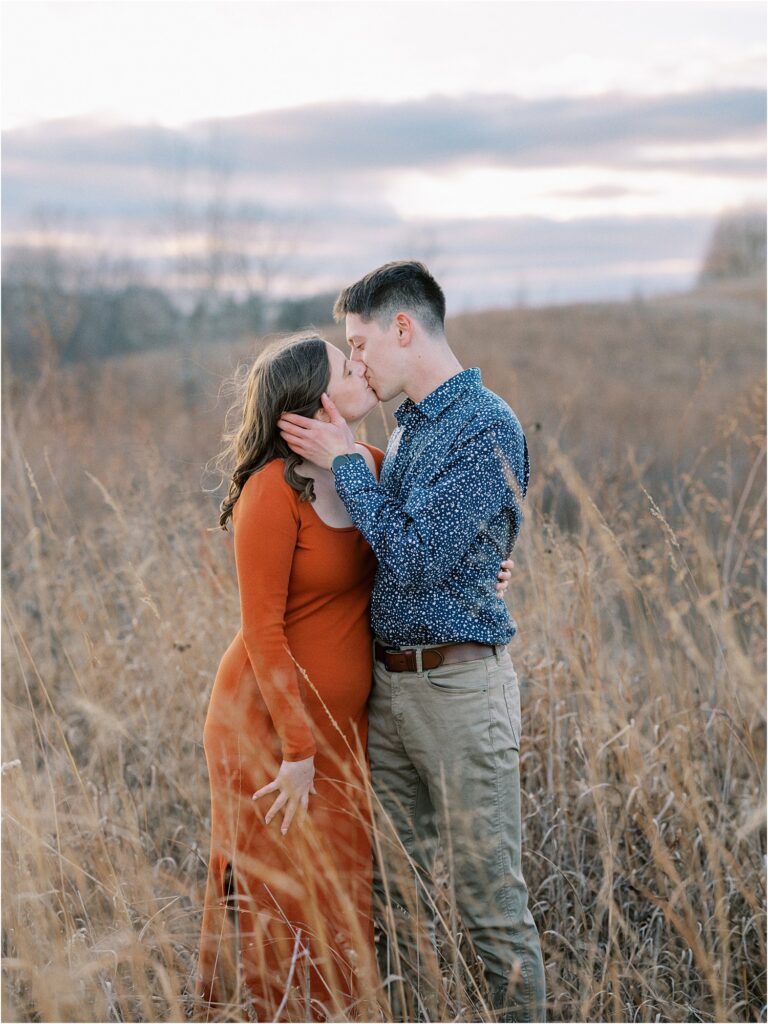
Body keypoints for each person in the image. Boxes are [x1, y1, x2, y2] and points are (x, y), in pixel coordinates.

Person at [194, 331, 514, 1021]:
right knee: (276, 892)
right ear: (313, 401)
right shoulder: (271, 494)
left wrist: (486, 570)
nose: (361, 367)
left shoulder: (369, 466)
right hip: (270, 732)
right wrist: (299, 751)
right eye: (347, 365)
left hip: (345, 731)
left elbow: (421, 547)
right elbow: (263, 632)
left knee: (340, 893)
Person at [278, 261, 547, 1023]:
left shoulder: (486, 424)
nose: (354, 363)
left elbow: (421, 557)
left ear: (404, 328)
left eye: (359, 345)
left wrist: (341, 463)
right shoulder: (410, 429)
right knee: (393, 896)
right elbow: (406, 556)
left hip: (461, 695)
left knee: (489, 906)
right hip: (391, 691)